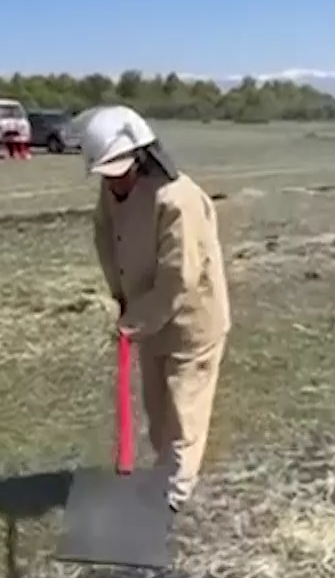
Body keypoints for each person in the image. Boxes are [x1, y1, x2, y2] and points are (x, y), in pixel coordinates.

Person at [80, 105, 230, 513]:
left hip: (191, 323)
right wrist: (122, 298)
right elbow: (106, 240)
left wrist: (134, 321)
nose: (114, 182)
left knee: (184, 411)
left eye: (120, 170)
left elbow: (178, 277)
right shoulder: (112, 192)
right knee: (157, 410)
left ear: (141, 156)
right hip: (145, 320)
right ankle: (166, 473)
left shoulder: (176, 199)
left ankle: (173, 496)